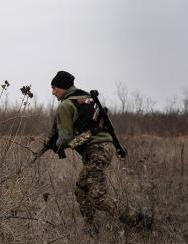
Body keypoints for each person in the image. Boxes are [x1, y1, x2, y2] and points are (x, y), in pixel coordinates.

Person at [40, 70, 153, 234]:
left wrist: (56, 146)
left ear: (62, 87)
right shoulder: (87, 98)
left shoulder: (65, 105)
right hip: (105, 147)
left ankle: (140, 221)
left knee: (99, 197)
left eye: (54, 88)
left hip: (96, 150)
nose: (52, 92)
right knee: (81, 189)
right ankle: (90, 229)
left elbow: (65, 139)